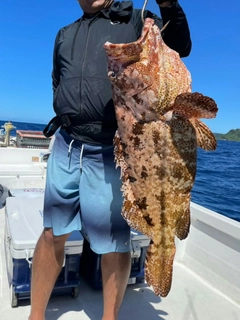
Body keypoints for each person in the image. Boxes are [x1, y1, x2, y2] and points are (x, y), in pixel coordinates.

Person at [28, 0, 191, 319]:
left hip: (111, 149)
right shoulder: (64, 33)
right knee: (51, 232)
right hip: (66, 143)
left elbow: (180, 45)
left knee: (112, 240)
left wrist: (169, 5)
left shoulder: (137, 20)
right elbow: (57, 80)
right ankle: (36, 315)